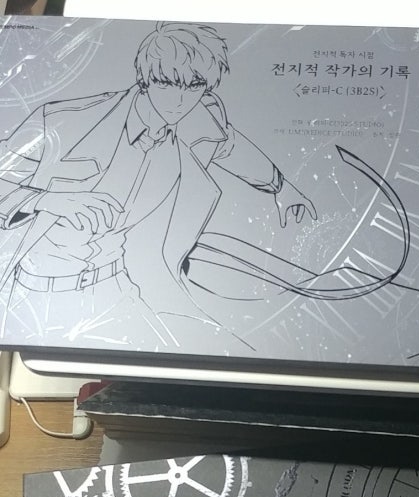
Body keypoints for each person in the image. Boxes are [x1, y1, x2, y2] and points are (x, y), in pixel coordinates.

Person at [0, 22, 316, 352]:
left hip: (118, 289)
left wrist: (281, 186)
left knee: (232, 352)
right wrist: (47, 201)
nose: (179, 100)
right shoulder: (66, 119)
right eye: (166, 83)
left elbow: (230, 146)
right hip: (41, 296)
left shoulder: (200, 120)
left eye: (194, 86)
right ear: (145, 78)